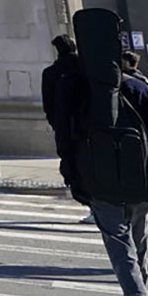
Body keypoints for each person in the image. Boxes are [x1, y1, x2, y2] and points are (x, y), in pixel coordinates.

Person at [57, 49, 148, 296]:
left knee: (121, 248)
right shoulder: (138, 88)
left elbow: (66, 139)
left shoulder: (81, 92)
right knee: (138, 244)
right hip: (139, 181)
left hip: (99, 183)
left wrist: (74, 178)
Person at [42, 35, 94, 224]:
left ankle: (91, 204)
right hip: (89, 126)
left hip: (67, 128)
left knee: (74, 165)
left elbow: (48, 105)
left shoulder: (52, 73)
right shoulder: (86, 68)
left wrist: (56, 124)